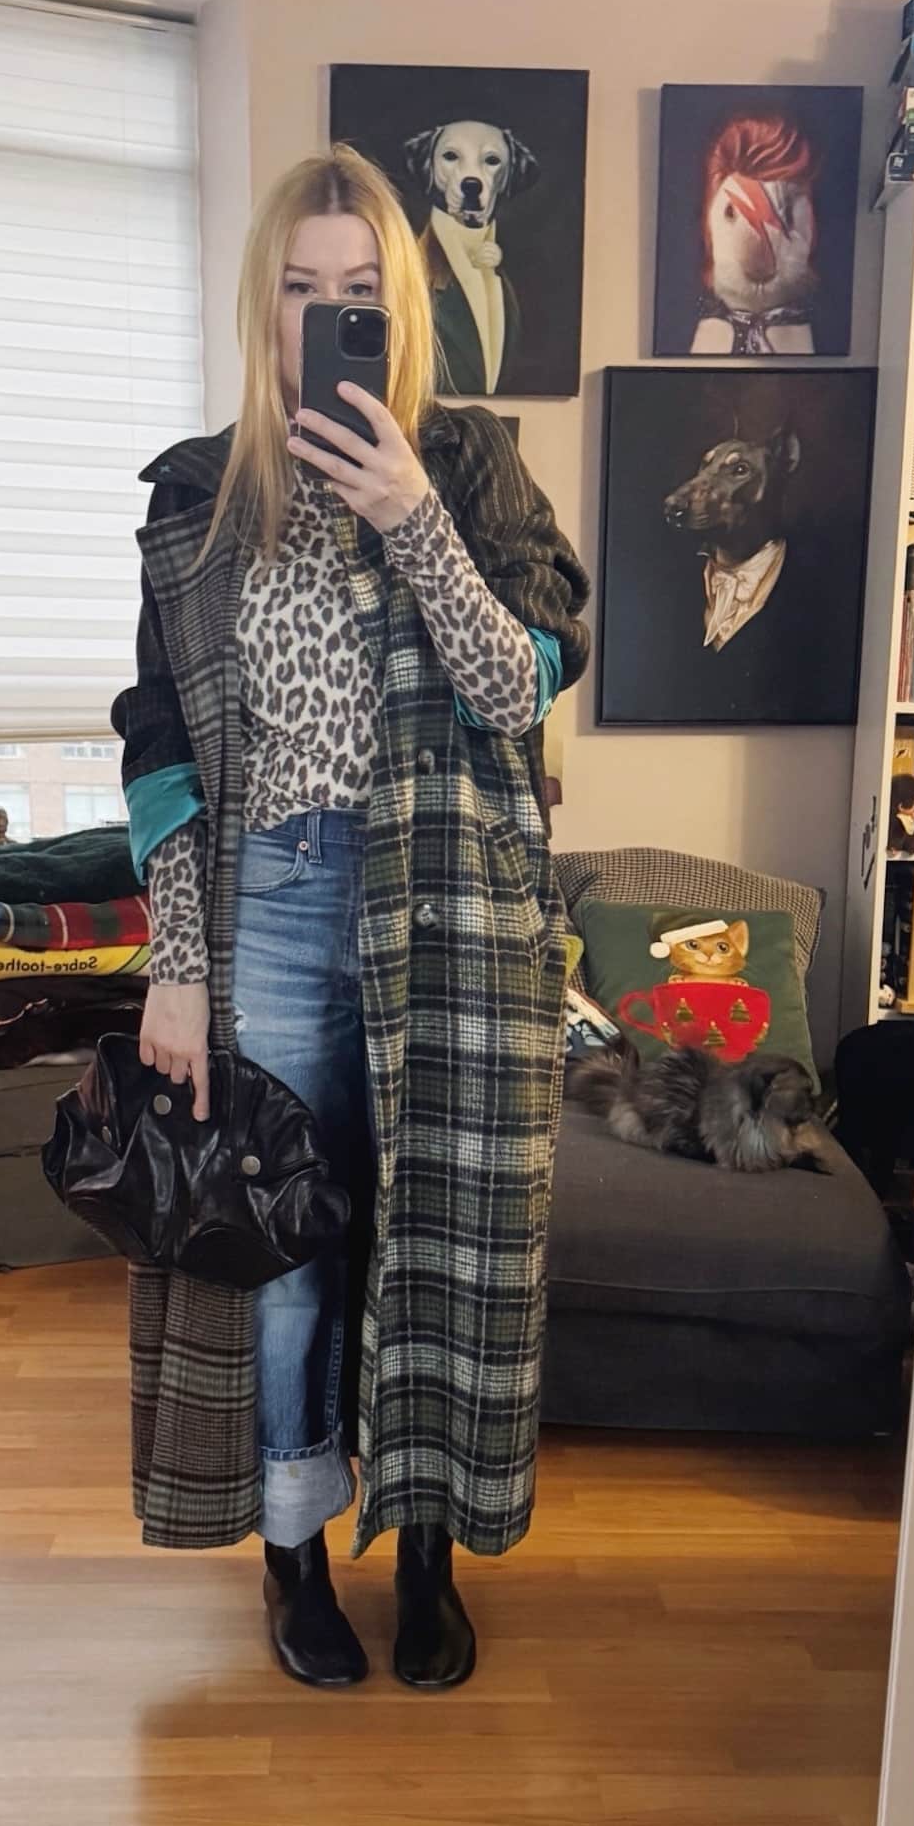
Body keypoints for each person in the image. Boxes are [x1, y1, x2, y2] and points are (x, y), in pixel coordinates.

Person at [111, 144, 591, 1693]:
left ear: (407, 307)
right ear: (265, 312)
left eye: (361, 295)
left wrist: (409, 516)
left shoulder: (469, 469)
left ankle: (433, 1550)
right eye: (303, 293)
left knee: (438, 1250)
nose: (330, 317)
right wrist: (174, 965)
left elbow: (520, 684)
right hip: (268, 907)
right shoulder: (197, 495)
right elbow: (160, 743)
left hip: (444, 905)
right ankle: (295, 1551)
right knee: (289, 1259)